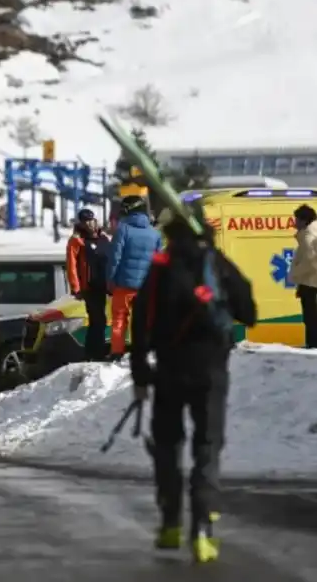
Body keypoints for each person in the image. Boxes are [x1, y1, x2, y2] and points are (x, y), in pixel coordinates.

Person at [130, 203, 256, 563]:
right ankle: (202, 528)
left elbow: (141, 323)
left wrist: (141, 374)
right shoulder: (217, 264)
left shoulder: (160, 268)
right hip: (211, 371)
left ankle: (170, 522)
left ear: (170, 233)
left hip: (169, 370)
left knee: (168, 445)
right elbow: (249, 313)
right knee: (207, 446)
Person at [106, 196, 161, 357]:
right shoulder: (155, 233)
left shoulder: (123, 230)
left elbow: (114, 258)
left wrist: (110, 280)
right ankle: (143, 350)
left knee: (119, 319)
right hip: (145, 286)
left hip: (123, 285)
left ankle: (117, 352)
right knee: (143, 319)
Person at [66, 209, 111, 360]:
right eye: (86, 221)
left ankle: (95, 351)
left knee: (100, 320)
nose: (90, 224)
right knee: (97, 319)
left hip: (104, 285)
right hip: (89, 287)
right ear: (81, 224)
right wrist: (76, 287)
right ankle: (95, 353)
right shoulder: (77, 240)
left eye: (91, 220)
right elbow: (71, 265)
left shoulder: (103, 237)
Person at [290, 204, 317, 348]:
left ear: (304, 220)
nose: (294, 223)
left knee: (310, 318)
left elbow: (310, 262)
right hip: (309, 282)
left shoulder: (308, 237)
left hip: (310, 284)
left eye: (296, 219)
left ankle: (312, 346)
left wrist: (295, 274)